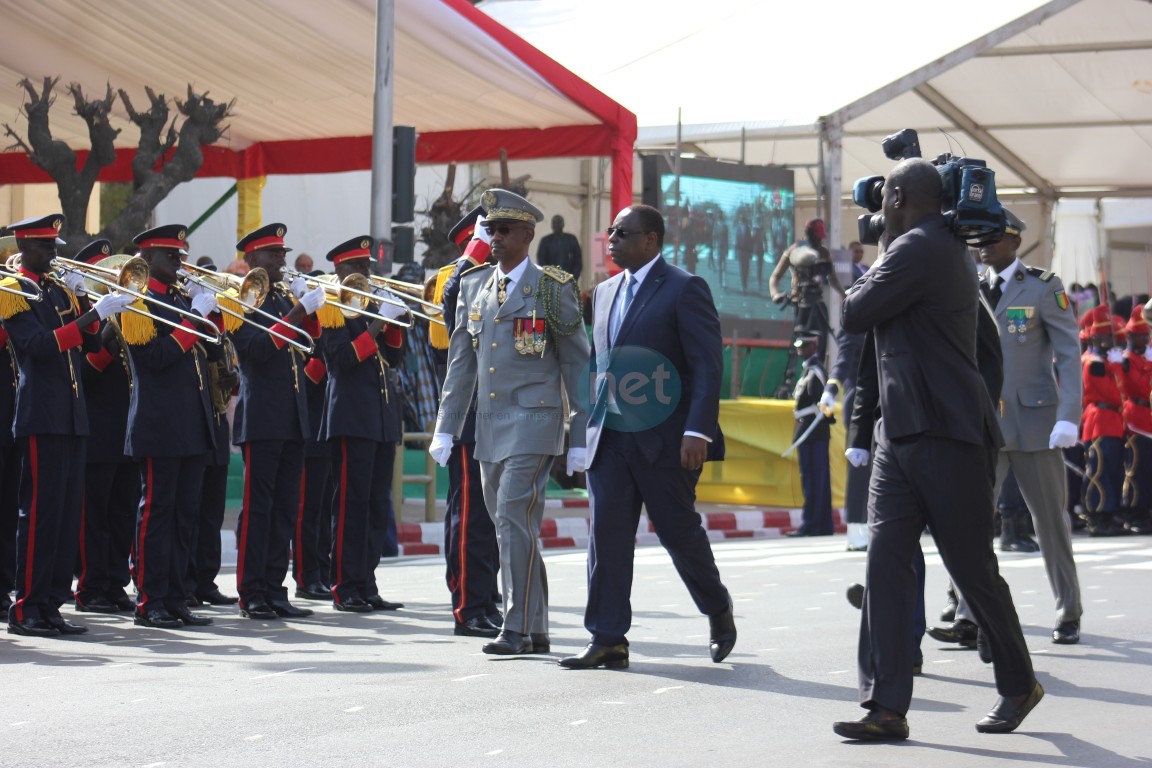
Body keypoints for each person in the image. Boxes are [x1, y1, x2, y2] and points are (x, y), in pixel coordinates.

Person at [832, 159, 1040, 740]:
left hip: (946, 433)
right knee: (887, 563)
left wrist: (881, 248)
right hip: (903, 432)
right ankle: (885, 706)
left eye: (883, 200)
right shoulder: (941, 245)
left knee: (972, 568)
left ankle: (1019, 683)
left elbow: (854, 311)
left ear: (897, 198)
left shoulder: (917, 247)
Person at [559, 203, 735, 669]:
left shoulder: (684, 288)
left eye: (623, 232)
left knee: (679, 533)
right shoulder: (602, 293)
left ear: (651, 240)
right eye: (611, 231)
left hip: (667, 440)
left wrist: (697, 429)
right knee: (607, 538)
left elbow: (706, 365)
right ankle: (608, 637)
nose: (612, 239)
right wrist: (582, 431)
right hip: (611, 437)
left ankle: (717, 608)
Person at [430, 189, 588, 656]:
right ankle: (536, 626)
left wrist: (578, 435)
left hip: (535, 422)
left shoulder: (550, 287)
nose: (493, 238)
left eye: (503, 230)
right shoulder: (475, 285)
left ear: (527, 234)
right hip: (489, 425)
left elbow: (578, 365)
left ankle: (515, 627)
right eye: (490, 230)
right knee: (517, 523)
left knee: (509, 516)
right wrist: (446, 425)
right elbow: (461, 362)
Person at [933, 209, 1084, 649]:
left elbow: (1069, 354)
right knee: (973, 520)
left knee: (1050, 522)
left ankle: (1067, 610)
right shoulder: (967, 285)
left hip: (1034, 422)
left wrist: (1068, 415)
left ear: (1016, 242)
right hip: (983, 423)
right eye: (979, 239)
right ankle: (967, 611)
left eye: (993, 239)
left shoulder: (1042, 287)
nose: (983, 246)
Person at [1, 214, 133, 636]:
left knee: (63, 514)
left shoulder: (56, 289)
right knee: (39, 515)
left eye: (56, 246)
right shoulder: (13, 290)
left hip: (73, 415)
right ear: (26, 248)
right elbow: (38, 347)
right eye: (47, 247)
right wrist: (87, 314)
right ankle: (27, 607)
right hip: (42, 413)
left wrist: (99, 313)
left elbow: (91, 345)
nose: (55, 254)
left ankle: (51, 603)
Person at [122, 223, 223, 629]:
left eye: (181, 255)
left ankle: (177, 596)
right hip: (159, 423)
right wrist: (194, 319)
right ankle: (150, 599)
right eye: (170, 256)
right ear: (146, 258)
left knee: (186, 515)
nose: (178, 263)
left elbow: (214, 346)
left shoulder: (182, 298)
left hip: (192, 422)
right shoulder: (137, 302)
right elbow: (157, 358)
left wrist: (209, 312)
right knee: (157, 513)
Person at [229, 223, 325, 620]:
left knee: (285, 509)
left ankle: (274, 587)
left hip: (291, 416)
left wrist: (309, 312)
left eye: (283, 254)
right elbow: (256, 351)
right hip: (263, 417)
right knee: (259, 509)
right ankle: (251, 590)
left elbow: (309, 347)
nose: (282, 262)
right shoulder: (244, 299)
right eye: (273, 255)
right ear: (252, 260)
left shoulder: (284, 296)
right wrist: (299, 311)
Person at [316, 235, 406, 613]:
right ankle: (344, 586)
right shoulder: (332, 307)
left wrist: (394, 322)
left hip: (380, 418)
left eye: (368, 267)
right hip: (351, 417)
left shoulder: (369, 306)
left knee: (375, 506)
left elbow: (394, 360)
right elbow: (339, 361)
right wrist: (373, 326)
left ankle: (367, 583)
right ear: (340, 270)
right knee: (351, 505)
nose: (366, 275)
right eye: (359, 268)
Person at [432, 206, 502, 638]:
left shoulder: (502, 282)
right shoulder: (456, 278)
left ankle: (485, 598)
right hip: (469, 417)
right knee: (471, 518)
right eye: (491, 236)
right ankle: (469, 607)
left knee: (491, 520)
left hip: (500, 415)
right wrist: (474, 251)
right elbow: (451, 301)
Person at [74, 239, 141, 613]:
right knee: (93, 512)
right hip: (97, 425)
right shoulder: (83, 312)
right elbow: (83, 371)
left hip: (127, 426)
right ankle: (90, 585)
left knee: (121, 510)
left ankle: (116, 582)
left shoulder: (127, 311)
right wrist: (108, 335)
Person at [1080, 305, 1130, 536]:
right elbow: (1114, 392)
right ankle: (1098, 516)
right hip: (1099, 420)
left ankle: (1109, 514)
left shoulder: (1106, 361)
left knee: (1113, 471)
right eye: (1107, 336)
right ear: (1096, 337)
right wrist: (1118, 366)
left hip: (1113, 420)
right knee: (1099, 470)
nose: (1112, 340)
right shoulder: (1094, 362)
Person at [769, 219, 845, 359]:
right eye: (816, 238)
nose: (818, 242)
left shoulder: (823, 252)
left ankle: (817, 374)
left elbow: (832, 278)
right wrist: (775, 295)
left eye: (820, 239)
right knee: (802, 346)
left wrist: (844, 295)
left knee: (820, 345)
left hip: (817, 303)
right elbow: (775, 276)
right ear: (808, 234)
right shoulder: (795, 250)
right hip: (801, 303)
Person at [786, 333, 834, 537]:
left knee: (815, 481)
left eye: (804, 346)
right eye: (798, 346)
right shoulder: (807, 370)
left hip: (814, 433)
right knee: (812, 480)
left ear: (814, 347)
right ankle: (818, 524)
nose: (800, 350)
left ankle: (813, 524)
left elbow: (822, 405)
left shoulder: (816, 371)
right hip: (808, 431)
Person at [1121, 304, 1152, 534]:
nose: (1145, 339)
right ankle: (1135, 513)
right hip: (1136, 418)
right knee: (1137, 468)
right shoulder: (1126, 359)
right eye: (1141, 335)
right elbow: (1139, 387)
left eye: (1146, 334)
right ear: (1130, 335)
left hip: (1147, 417)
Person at [535, 214, 582, 283]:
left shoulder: (571, 239)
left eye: (559, 222)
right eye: (554, 222)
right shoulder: (545, 241)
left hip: (569, 280)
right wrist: (549, 276)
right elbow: (541, 260)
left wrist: (573, 278)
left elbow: (578, 260)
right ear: (551, 225)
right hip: (550, 281)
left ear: (563, 224)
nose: (556, 225)